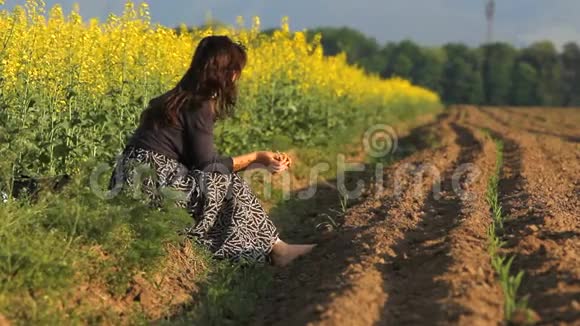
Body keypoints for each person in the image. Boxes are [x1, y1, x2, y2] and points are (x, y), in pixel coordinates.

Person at [109, 35, 315, 266]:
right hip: (154, 189)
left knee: (223, 180)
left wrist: (258, 163)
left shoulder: (168, 100)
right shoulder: (198, 105)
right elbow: (209, 167)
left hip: (129, 186)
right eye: (236, 70)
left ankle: (275, 248)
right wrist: (256, 157)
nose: (237, 77)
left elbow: (192, 164)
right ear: (226, 72)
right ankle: (274, 250)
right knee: (226, 181)